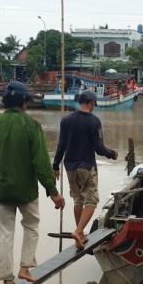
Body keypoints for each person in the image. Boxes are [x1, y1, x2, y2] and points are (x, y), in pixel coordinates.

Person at [0, 81, 65, 284]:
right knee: (31, 225)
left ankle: (7, 281)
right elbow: (41, 164)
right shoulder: (31, 125)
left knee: (4, 234)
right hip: (26, 191)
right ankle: (24, 268)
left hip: (2, 189)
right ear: (25, 101)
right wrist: (53, 192)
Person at [53, 90, 118, 249]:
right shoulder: (94, 122)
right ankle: (79, 231)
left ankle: (80, 233)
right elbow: (99, 148)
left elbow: (61, 145)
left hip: (69, 167)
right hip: (87, 167)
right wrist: (112, 154)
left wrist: (55, 166)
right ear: (92, 103)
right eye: (95, 103)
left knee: (78, 200)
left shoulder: (66, 120)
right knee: (92, 201)